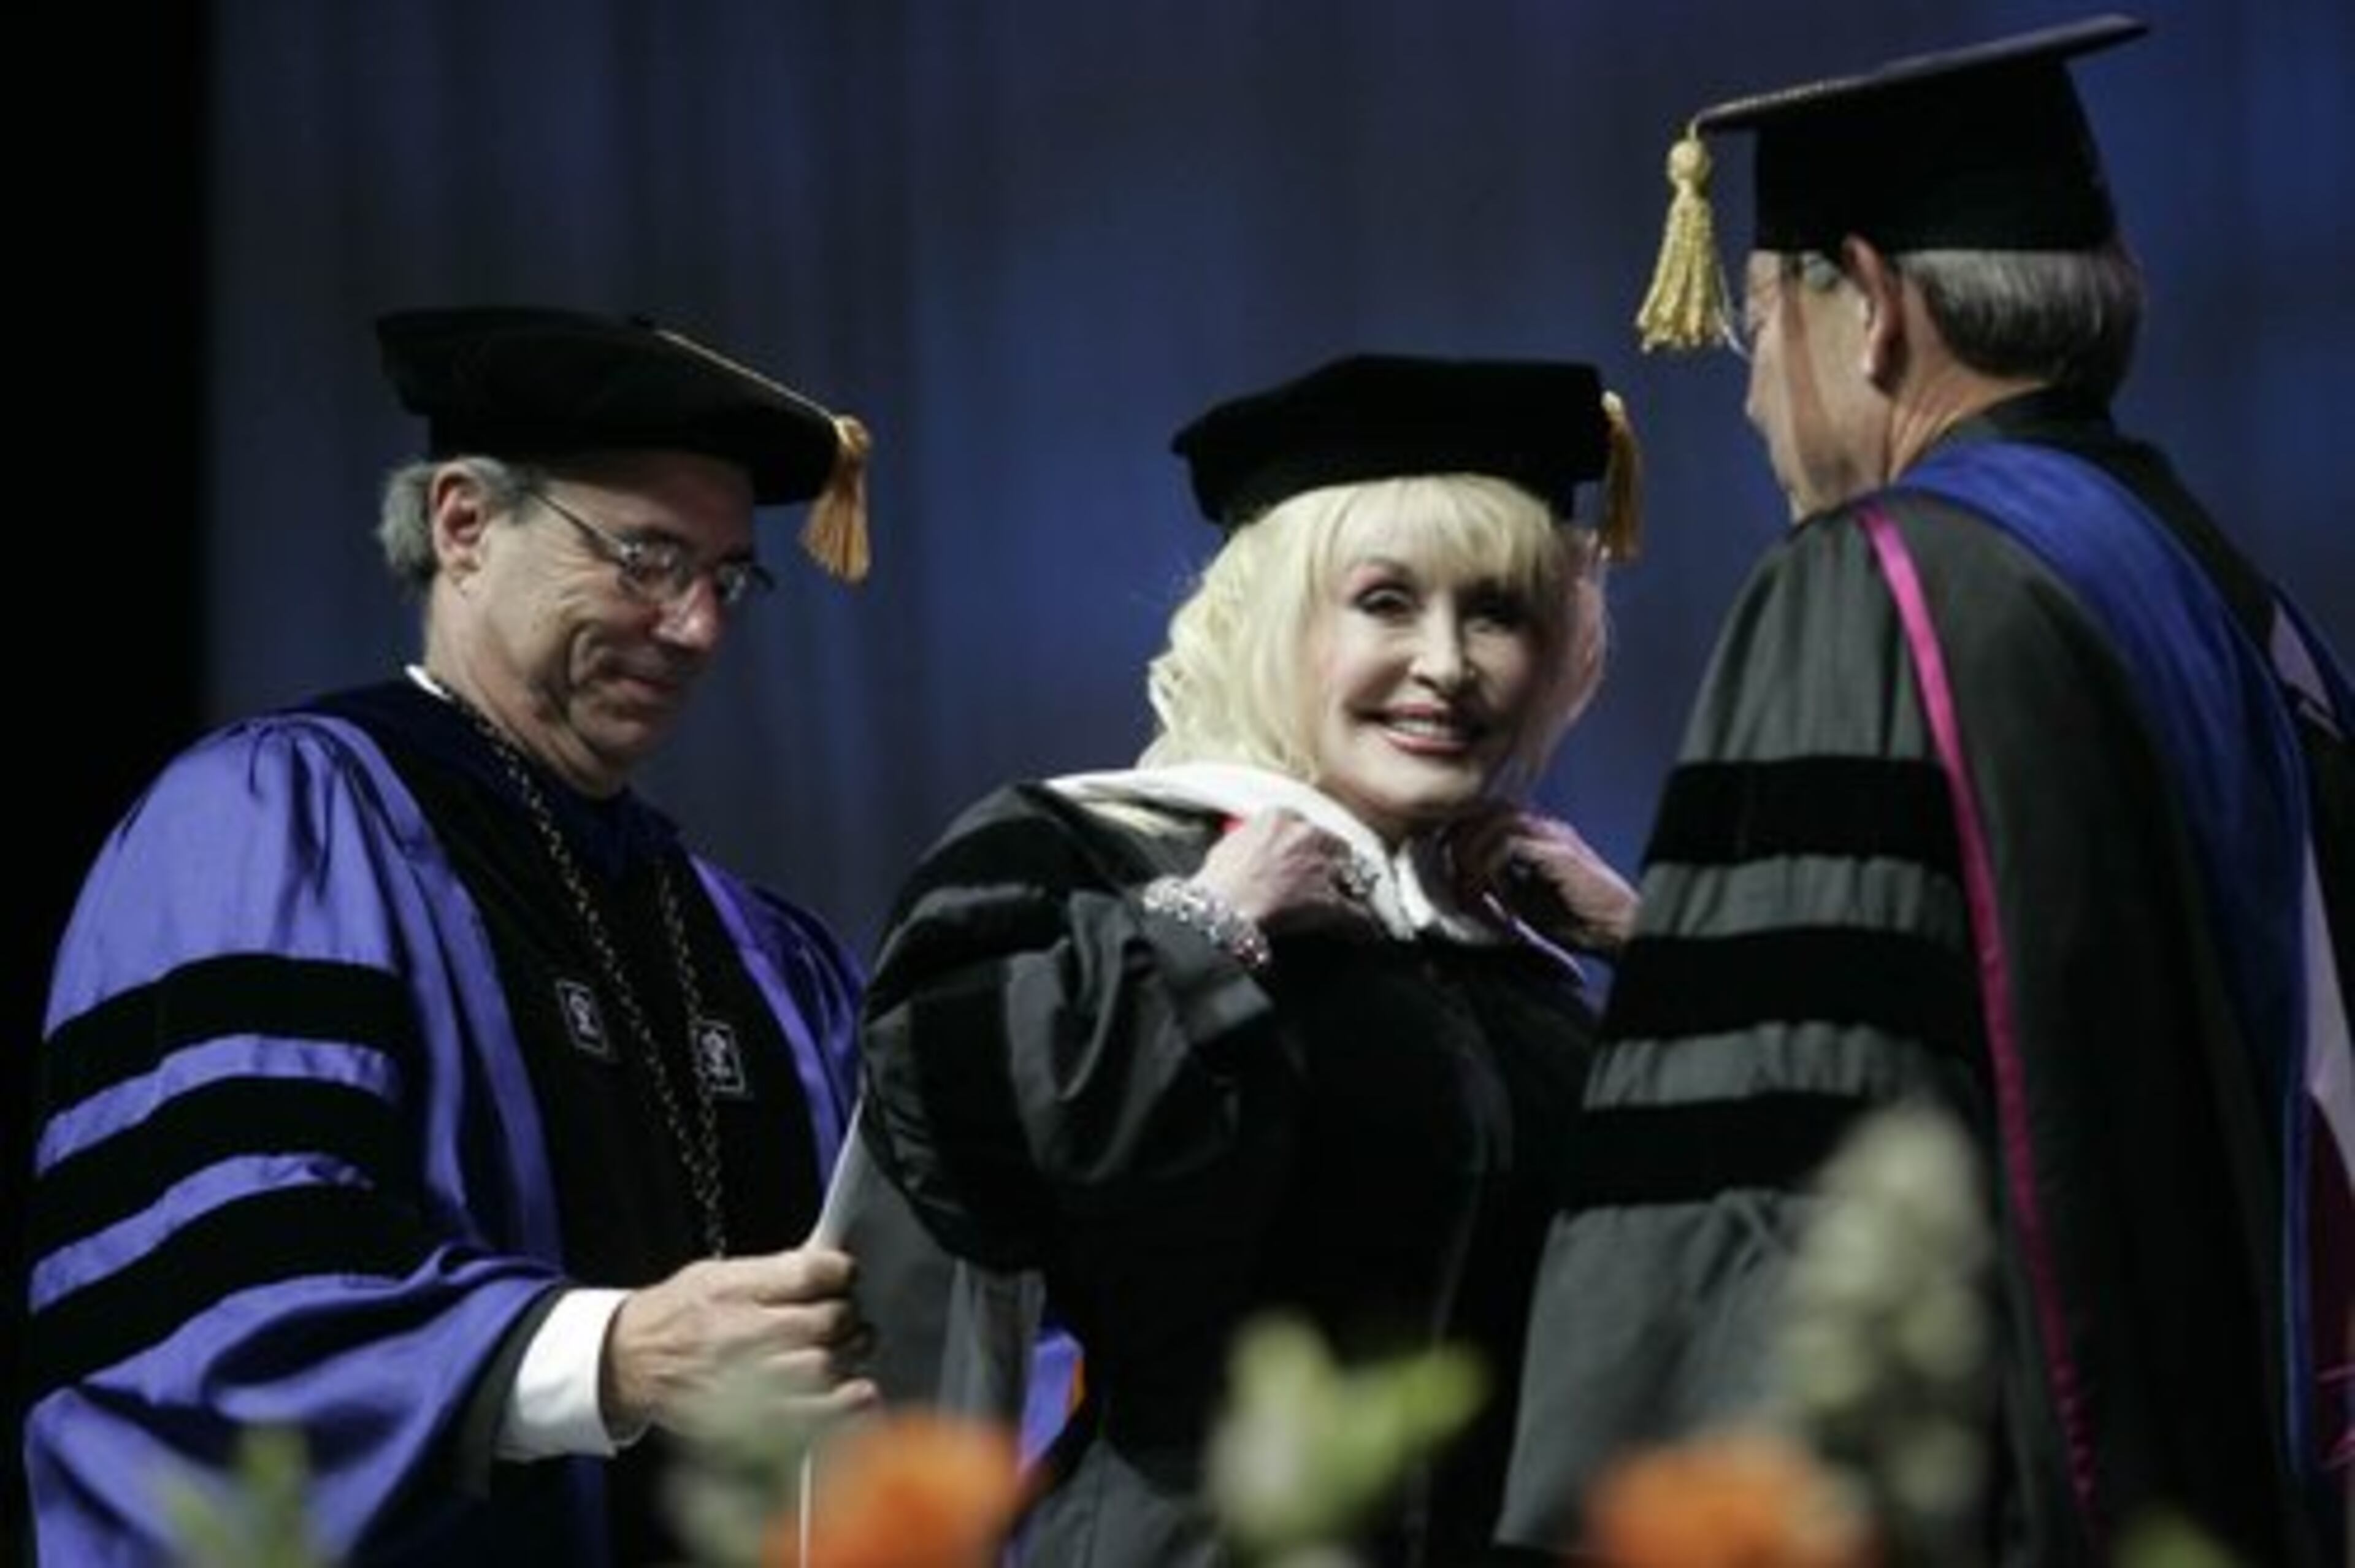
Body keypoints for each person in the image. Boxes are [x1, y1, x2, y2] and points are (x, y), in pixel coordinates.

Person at [1498, 16, 2354, 1568]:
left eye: (1759, 330)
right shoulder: (2237, 601)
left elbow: (1775, 1181)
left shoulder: (1878, 581)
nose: (1756, 405)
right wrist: (1679, 935)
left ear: (1874, 307)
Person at [22, 306, 884, 1565]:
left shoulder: (756, 949)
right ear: (464, 525)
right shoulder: (279, 827)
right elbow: (227, 1306)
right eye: (645, 558)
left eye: (725, 580)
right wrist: (615, 1353)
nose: (697, 628)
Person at [851, 351, 1644, 1566]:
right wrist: (1208, 926)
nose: (1447, 661)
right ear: (1276, 620)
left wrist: (1654, 950)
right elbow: (964, 1149)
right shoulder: (1089, 853)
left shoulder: (1526, 957)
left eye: (1496, 611)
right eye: (1386, 601)